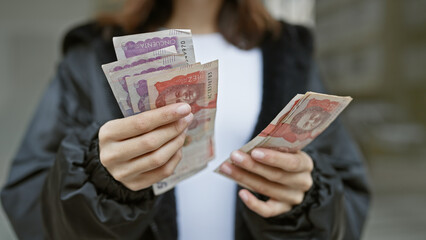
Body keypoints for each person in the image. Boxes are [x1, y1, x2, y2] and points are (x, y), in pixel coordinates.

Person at [1, 0, 371, 239]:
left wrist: (304, 203)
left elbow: (348, 201)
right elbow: (29, 200)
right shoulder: (92, 52)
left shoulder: (290, 53)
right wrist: (100, 184)